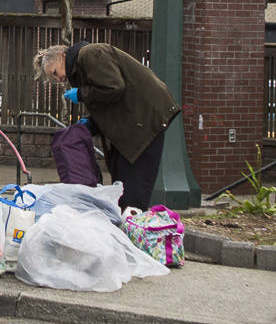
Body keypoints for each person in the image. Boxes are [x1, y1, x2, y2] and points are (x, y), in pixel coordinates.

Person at [33, 43, 180, 211]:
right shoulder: (82, 68)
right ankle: (128, 224)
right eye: (54, 79)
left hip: (145, 120)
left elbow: (113, 88)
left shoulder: (89, 54)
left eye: (55, 73)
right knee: (121, 185)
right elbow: (109, 103)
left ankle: (132, 226)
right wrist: (91, 124)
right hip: (135, 123)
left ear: (61, 55)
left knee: (133, 189)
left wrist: (81, 94)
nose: (59, 79)